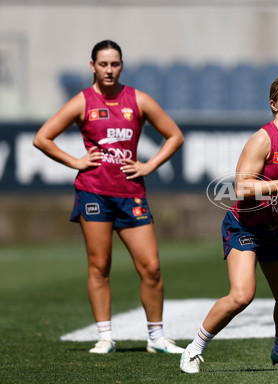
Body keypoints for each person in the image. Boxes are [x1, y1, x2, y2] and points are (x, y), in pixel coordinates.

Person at [33, 40, 185, 354]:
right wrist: (75, 162)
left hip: (132, 194)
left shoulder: (138, 99)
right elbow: (42, 138)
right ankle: (105, 336)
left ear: (121, 66)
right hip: (94, 193)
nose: (109, 70)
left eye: (115, 64)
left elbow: (175, 136)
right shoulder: (82, 102)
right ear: (92, 66)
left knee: (152, 268)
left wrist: (149, 165)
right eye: (103, 64)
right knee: (100, 266)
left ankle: (156, 338)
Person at [179, 74, 278, 374]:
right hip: (247, 227)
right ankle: (194, 349)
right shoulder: (262, 139)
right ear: (273, 105)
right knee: (242, 295)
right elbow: (241, 188)